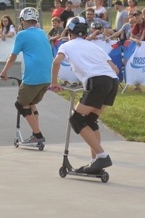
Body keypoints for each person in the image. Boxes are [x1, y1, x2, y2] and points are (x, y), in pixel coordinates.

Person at [49, 16, 119, 174]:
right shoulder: (93, 46)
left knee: (76, 119)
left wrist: (54, 83)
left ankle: (102, 156)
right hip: (112, 82)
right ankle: (96, 162)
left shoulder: (67, 46)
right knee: (90, 120)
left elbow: (56, 62)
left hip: (97, 82)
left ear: (69, 32)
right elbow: (115, 69)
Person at [0, 7, 52, 148]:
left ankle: (37, 135)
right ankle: (36, 133)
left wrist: (4, 72)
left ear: (22, 21)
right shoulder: (42, 33)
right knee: (31, 102)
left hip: (33, 77)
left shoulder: (22, 35)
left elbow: (12, 56)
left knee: (21, 104)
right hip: (46, 77)